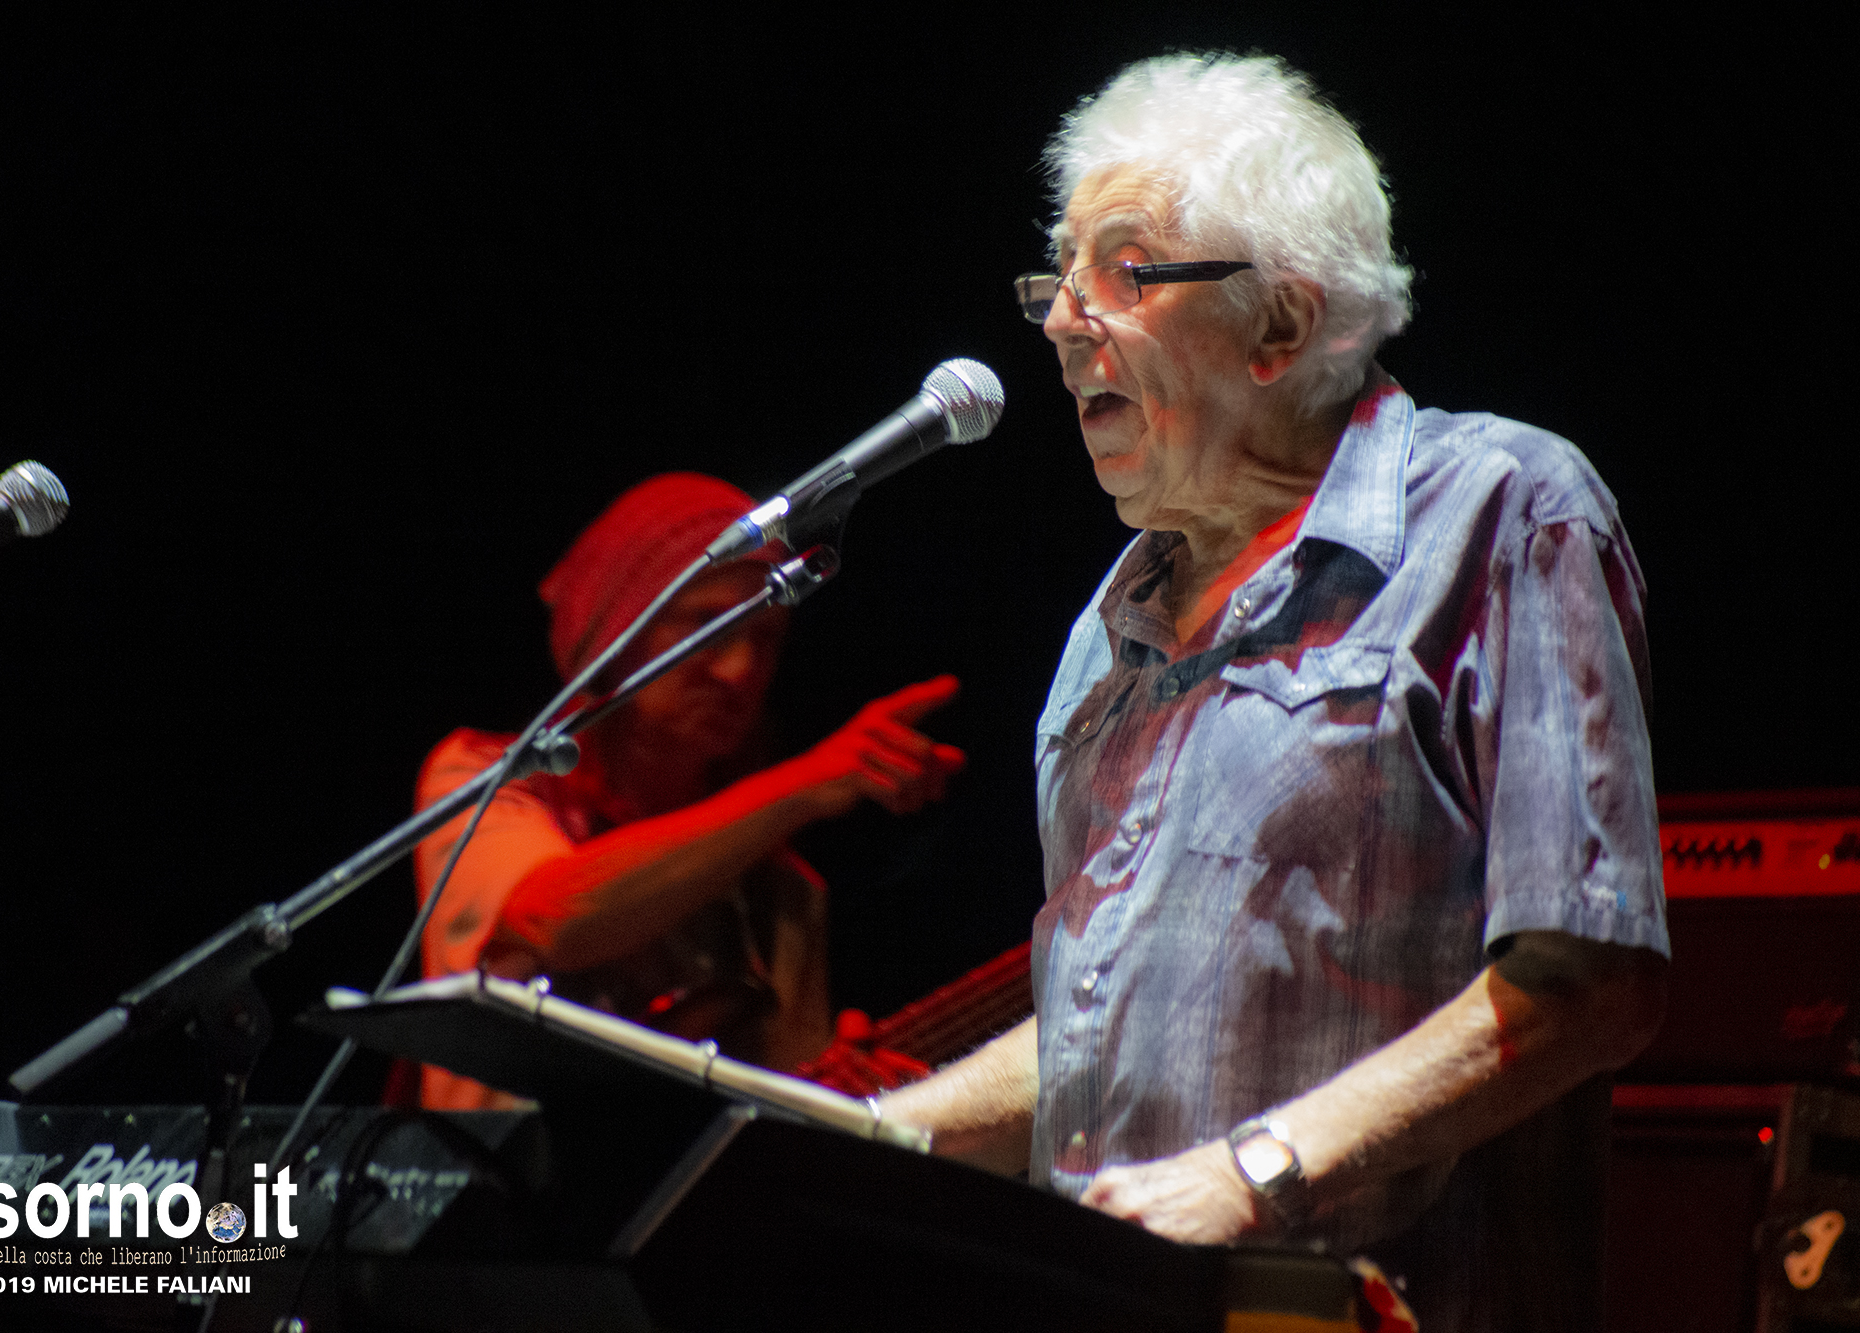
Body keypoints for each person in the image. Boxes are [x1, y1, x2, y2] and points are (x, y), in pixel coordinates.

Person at [880, 54, 1669, 1331]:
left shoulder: (1500, 512)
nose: (1061, 321)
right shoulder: (1108, 626)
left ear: (1279, 328)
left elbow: (1588, 979)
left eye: (1123, 272)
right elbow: (1107, 1030)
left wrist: (1252, 1175)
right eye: (1056, 278)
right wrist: (868, 1133)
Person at [413, 473, 964, 1111]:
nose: (740, 670)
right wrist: (810, 779)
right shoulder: (482, 779)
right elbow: (548, 920)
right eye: (708, 625)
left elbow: (769, 1124)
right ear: (615, 633)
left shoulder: (781, 892)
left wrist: (840, 1097)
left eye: (766, 639)